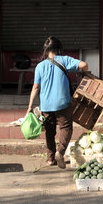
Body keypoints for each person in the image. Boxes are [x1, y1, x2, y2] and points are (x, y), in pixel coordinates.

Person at [27, 37, 88, 169]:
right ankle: (60, 152)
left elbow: (35, 88)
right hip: (63, 104)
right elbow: (83, 64)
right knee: (66, 128)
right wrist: (84, 74)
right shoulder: (65, 60)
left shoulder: (39, 66)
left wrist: (30, 106)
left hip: (46, 105)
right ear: (58, 48)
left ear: (46, 50)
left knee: (49, 131)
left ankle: (50, 159)